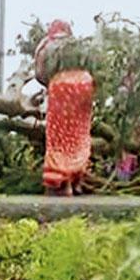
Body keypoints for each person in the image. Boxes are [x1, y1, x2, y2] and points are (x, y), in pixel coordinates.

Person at [35, 20, 95, 195]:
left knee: (59, 138)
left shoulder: (45, 44)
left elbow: (39, 73)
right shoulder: (80, 46)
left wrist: (50, 83)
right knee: (79, 133)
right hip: (84, 85)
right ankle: (77, 176)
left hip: (59, 87)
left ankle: (63, 180)